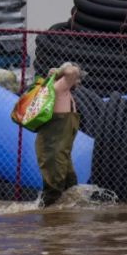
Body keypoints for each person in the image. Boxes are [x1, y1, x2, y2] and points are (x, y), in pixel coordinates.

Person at [35, 62, 85, 207]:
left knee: (69, 179)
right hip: (53, 144)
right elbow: (71, 71)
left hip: (58, 145)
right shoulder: (60, 85)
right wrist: (59, 71)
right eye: (78, 79)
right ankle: (48, 215)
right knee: (54, 184)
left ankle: (65, 211)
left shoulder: (57, 87)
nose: (79, 81)